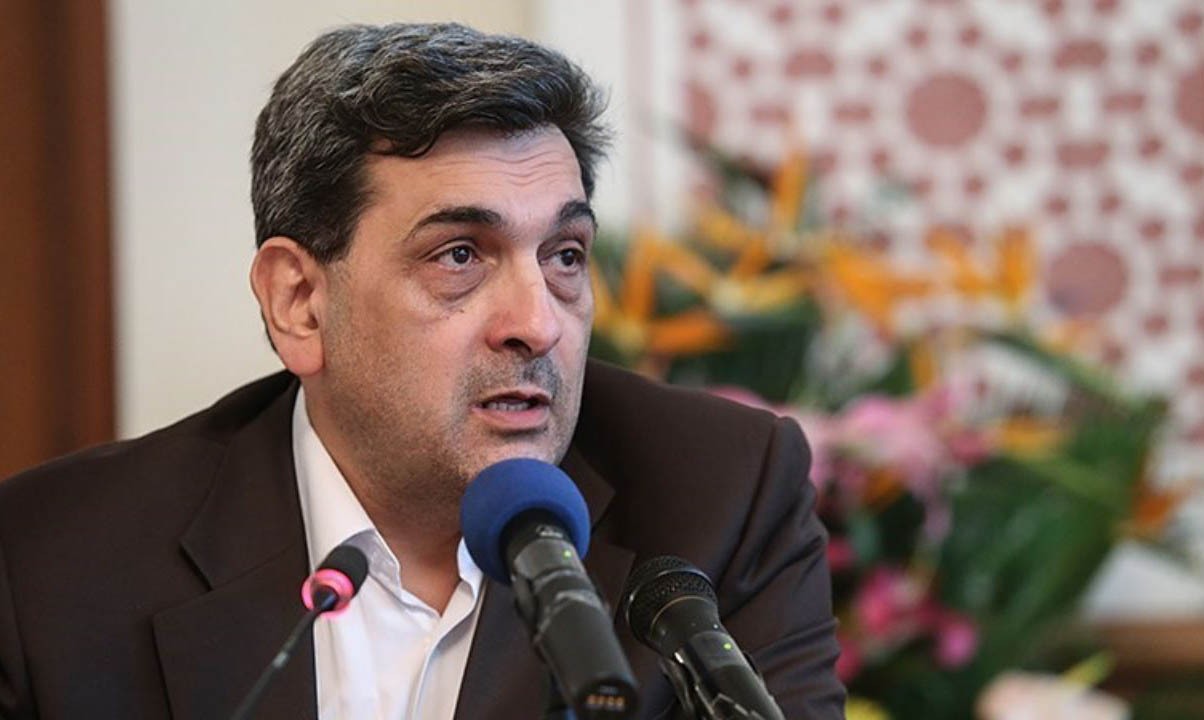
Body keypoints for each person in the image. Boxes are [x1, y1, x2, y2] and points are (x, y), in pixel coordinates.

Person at [0, 22, 844, 719]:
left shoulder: (721, 498)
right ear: (299, 302)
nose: (537, 324)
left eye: (564, 255)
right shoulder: (53, 564)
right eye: (460, 255)